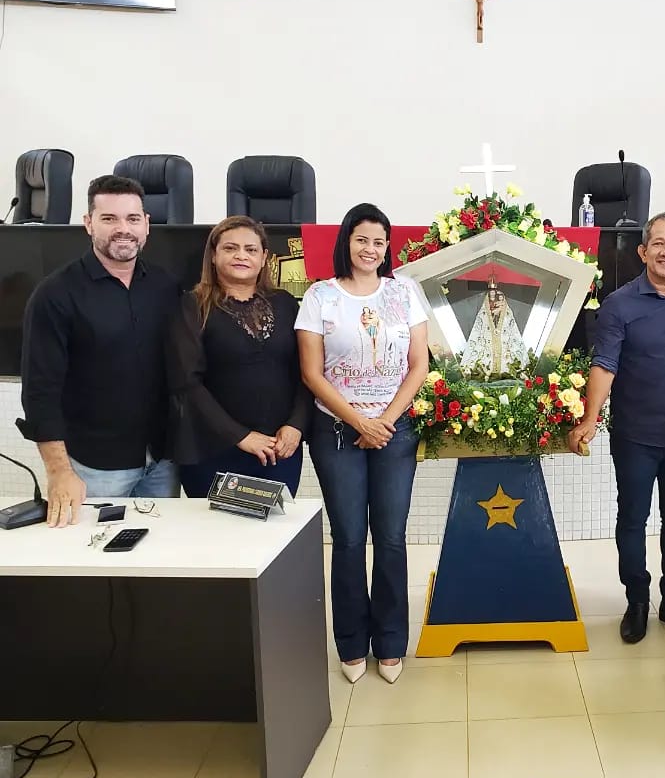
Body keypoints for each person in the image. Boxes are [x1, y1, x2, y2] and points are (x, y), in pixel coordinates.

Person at [568, 213, 665, 644]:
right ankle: (637, 600)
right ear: (643, 251)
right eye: (658, 243)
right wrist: (590, 418)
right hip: (636, 435)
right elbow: (605, 364)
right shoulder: (619, 304)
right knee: (633, 520)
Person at [296, 203, 428, 685]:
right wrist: (359, 421)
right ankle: (351, 643)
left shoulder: (404, 292)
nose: (370, 249)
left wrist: (384, 422)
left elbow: (418, 365)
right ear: (346, 243)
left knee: (391, 538)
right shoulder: (320, 296)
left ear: (387, 247)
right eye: (361, 239)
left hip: (394, 433)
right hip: (336, 433)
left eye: (379, 241)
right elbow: (311, 373)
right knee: (349, 539)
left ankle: (391, 642)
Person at [19, 175, 181, 525]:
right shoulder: (55, 295)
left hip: (162, 462)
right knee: (96, 567)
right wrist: (59, 471)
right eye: (109, 219)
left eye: (133, 219)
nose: (123, 229)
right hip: (94, 468)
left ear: (147, 225)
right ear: (89, 224)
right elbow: (39, 391)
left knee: (161, 562)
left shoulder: (166, 287)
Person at [168, 217, 310, 498]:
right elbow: (187, 382)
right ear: (214, 255)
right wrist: (241, 437)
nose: (241, 256)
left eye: (251, 249)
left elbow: (307, 373)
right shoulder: (192, 305)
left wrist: (296, 425)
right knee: (220, 539)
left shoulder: (285, 303)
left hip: (278, 450)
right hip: (214, 451)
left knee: (273, 538)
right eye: (231, 248)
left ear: (264, 257)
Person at [460, 275, 529, 373]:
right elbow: (478, 334)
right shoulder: (484, 313)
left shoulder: (506, 313)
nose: (494, 301)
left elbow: (511, 332)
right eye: (491, 298)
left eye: (496, 298)